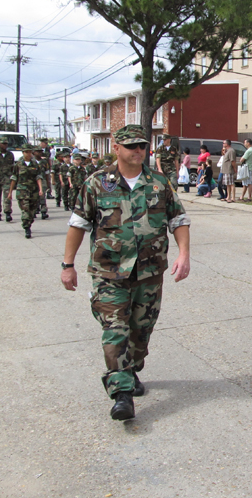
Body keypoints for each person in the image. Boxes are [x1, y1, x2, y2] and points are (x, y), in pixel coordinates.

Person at [61, 124, 191, 421]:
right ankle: (121, 392)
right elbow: (78, 225)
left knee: (140, 331)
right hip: (109, 273)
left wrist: (184, 254)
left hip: (149, 273)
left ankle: (131, 370)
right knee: (115, 328)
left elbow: (178, 219)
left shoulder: (158, 183)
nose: (138, 151)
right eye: (131, 146)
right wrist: (68, 265)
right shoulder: (96, 184)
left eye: (142, 146)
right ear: (115, 148)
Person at [9, 144, 44, 239]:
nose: (28, 154)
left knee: (32, 212)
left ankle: (29, 223)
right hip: (22, 191)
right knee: (25, 210)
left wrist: (41, 189)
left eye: (30, 152)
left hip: (33, 191)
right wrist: (10, 192)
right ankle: (26, 228)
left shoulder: (35, 164)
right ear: (23, 153)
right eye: (26, 152)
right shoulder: (18, 164)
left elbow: (38, 177)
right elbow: (14, 177)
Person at [32, 146, 51, 220]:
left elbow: (47, 173)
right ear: (34, 152)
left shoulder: (44, 162)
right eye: (38, 151)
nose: (40, 153)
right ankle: (34, 211)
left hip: (42, 181)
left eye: (40, 151)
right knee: (33, 197)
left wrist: (48, 183)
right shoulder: (31, 161)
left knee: (42, 196)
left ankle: (43, 211)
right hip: (33, 181)